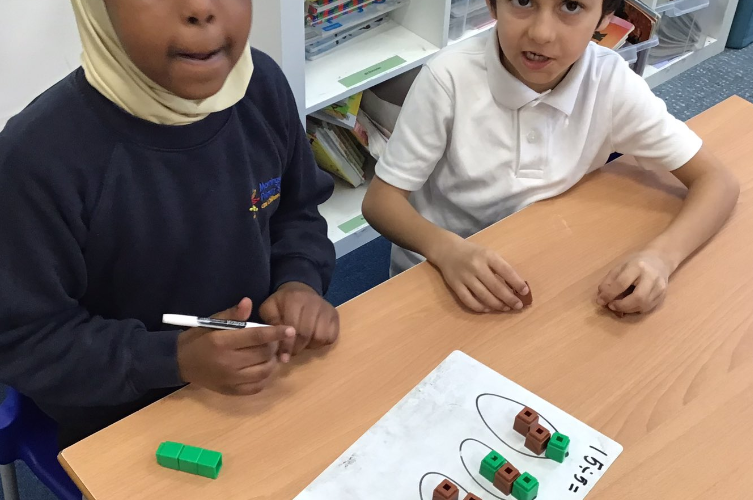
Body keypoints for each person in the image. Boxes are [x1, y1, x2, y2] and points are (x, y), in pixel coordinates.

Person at [0, 0, 339, 448]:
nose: (201, 8)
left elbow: (299, 212)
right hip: (125, 418)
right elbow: (28, 338)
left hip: (265, 376)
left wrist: (299, 279)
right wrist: (172, 359)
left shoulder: (262, 87)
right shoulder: (37, 158)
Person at [362, 0, 739, 316]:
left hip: (548, 258)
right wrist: (445, 250)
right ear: (493, 4)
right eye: (523, 1)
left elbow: (718, 181)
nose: (541, 33)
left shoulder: (610, 81)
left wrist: (662, 257)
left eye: (571, 6)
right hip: (441, 268)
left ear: (605, 18)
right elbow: (381, 202)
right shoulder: (448, 78)